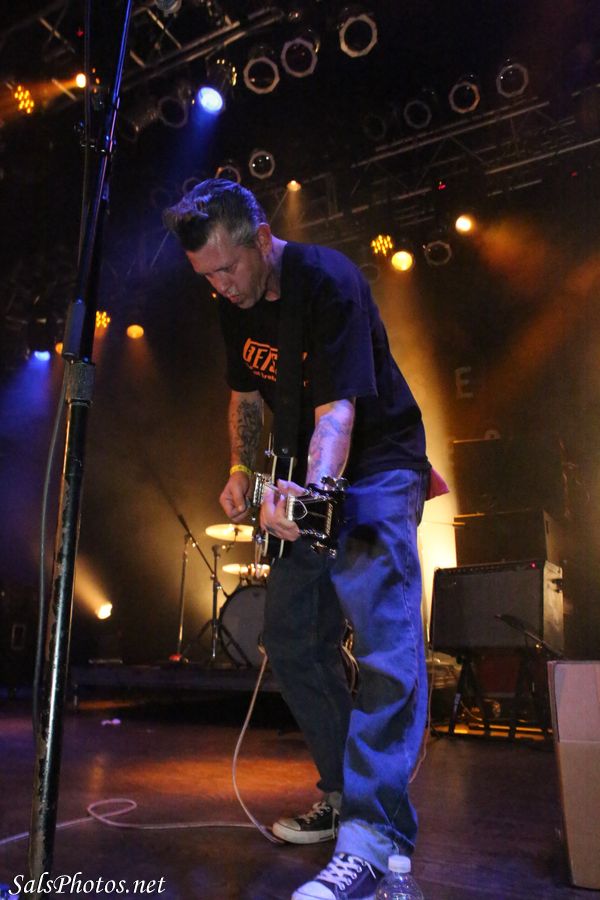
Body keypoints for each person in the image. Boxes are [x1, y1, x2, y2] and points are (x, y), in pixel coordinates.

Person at [163, 179, 434, 900]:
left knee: (384, 646)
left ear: (261, 239)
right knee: (290, 639)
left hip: (377, 467)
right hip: (304, 478)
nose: (221, 287)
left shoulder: (328, 281)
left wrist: (311, 495)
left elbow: (337, 414)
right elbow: (245, 394)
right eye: (207, 277)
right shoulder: (232, 301)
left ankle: (374, 842)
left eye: (228, 268)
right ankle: (349, 798)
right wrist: (240, 469)